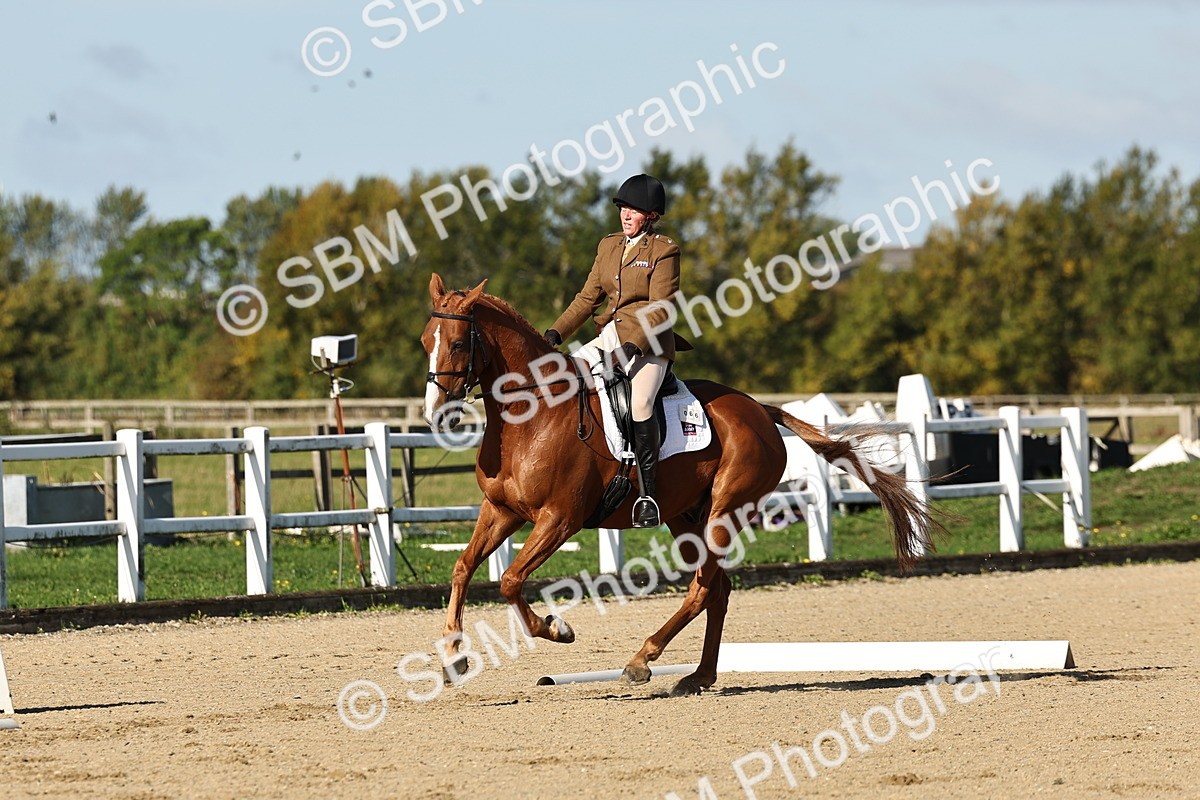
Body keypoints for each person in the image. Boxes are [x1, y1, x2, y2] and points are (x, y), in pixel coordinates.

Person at [543, 173, 689, 528]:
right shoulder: (608, 246)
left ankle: (648, 495)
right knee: (565, 380)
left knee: (640, 403)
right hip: (610, 334)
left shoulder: (664, 250)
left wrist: (631, 348)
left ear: (651, 216)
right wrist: (554, 333)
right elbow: (587, 298)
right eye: (623, 208)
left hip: (650, 342)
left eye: (633, 210)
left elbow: (661, 308)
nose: (625, 215)